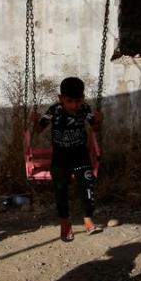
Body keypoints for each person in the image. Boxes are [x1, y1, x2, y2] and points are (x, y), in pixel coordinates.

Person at [32, 76, 104, 241]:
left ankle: (87, 218)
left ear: (83, 99)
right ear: (60, 98)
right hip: (61, 156)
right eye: (69, 101)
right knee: (60, 186)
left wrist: (99, 121)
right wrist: (35, 122)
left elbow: (95, 127)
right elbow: (39, 129)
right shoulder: (54, 110)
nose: (74, 105)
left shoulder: (85, 109)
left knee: (87, 185)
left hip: (80, 154)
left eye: (77, 101)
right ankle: (65, 222)